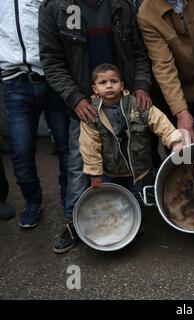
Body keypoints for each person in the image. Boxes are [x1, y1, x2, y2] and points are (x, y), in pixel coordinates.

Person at [39, 0, 153, 253]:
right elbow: (52, 61)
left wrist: (142, 85)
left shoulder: (122, 5)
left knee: (132, 157)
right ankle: (74, 223)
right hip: (85, 104)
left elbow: (139, 52)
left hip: (124, 102)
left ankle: (135, 214)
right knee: (80, 167)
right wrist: (74, 98)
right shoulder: (54, 8)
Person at [0, 0, 68, 229]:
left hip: (53, 78)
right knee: (21, 150)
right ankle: (33, 202)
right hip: (16, 83)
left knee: (65, 144)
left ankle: (70, 199)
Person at [79, 64, 183, 192]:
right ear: (95, 89)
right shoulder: (91, 113)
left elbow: (161, 122)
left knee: (142, 199)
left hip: (140, 170)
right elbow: (89, 145)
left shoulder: (136, 104)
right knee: (117, 204)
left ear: (122, 85)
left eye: (114, 81)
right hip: (110, 172)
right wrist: (95, 173)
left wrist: (175, 142)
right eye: (103, 82)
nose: (109, 85)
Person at [137, 0, 194, 141]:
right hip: (177, 91)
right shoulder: (147, 14)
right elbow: (163, 66)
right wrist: (181, 112)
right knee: (183, 147)